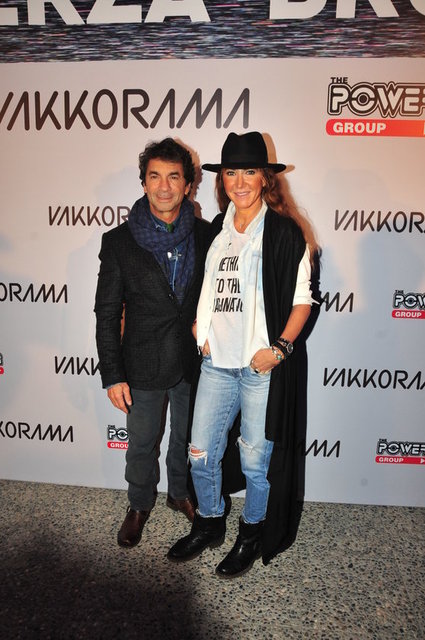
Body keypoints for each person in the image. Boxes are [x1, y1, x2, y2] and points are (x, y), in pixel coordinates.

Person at [167, 131, 316, 577]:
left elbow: (302, 301)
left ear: (266, 177)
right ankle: (210, 521)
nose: (239, 181)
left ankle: (251, 533)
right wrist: (199, 324)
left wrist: (279, 350)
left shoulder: (285, 232)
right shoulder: (217, 229)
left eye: (249, 171)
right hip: (216, 362)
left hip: (259, 368)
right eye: (231, 172)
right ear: (222, 180)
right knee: (200, 453)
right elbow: (203, 285)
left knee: (255, 461)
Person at [95, 138, 211, 548]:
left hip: (194, 360)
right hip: (142, 361)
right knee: (142, 444)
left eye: (173, 177)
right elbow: (107, 313)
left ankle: (179, 493)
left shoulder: (208, 235)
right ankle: (139, 503)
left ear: (188, 185)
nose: (164, 187)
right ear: (143, 183)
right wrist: (113, 375)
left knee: (187, 438)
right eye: (155, 177)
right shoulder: (119, 241)